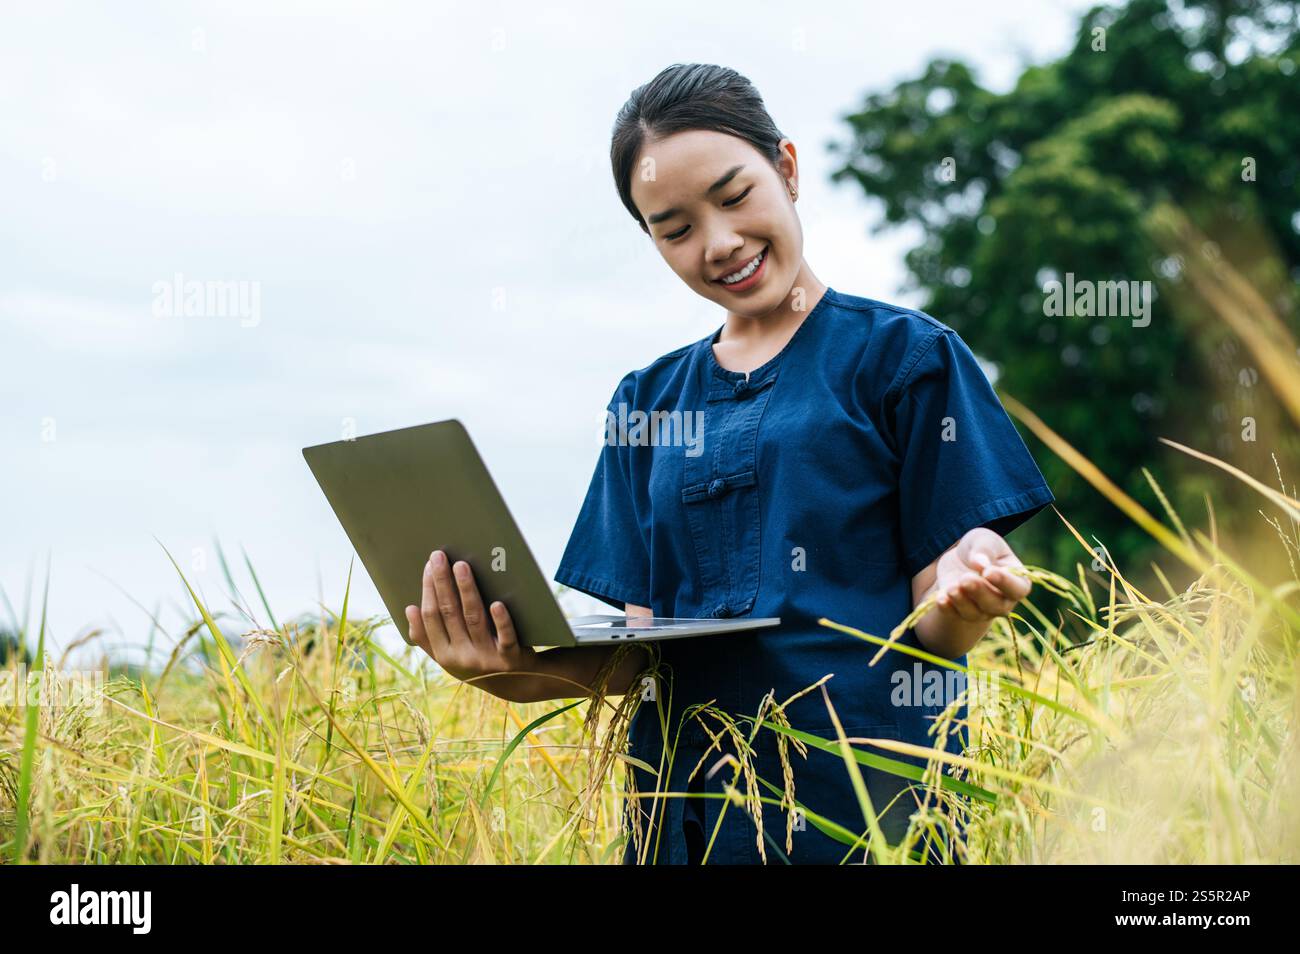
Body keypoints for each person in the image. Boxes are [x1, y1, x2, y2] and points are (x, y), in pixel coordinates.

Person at [404, 63, 1054, 865]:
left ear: (786, 167)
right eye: (674, 229)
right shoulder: (646, 401)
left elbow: (934, 630)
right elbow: (640, 657)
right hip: (683, 828)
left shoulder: (906, 359)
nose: (719, 243)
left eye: (735, 195)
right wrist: (499, 669)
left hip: (863, 822)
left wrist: (966, 587)